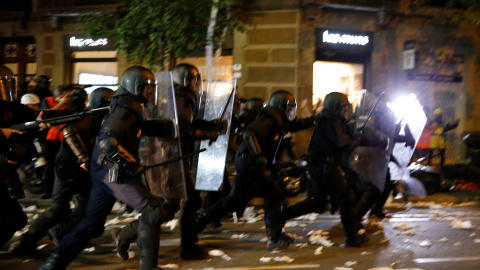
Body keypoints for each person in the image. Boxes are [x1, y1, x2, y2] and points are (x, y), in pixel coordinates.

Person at [38, 66, 179, 270]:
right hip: (114, 172)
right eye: (147, 87)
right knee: (153, 210)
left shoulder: (127, 105)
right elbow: (107, 141)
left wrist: (166, 128)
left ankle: (53, 263)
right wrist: (130, 164)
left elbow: (132, 130)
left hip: (104, 171)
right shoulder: (126, 108)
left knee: (92, 223)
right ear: (136, 87)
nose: (151, 91)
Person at [112, 63, 223, 261]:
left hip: (170, 155)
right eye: (196, 80)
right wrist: (207, 133)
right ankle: (186, 248)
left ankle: (127, 234)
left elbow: (186, 123)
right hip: (169, 156)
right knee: (183, 202)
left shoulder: (180, 96)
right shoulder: (182, 98)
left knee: (171, 205)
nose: (198, 84)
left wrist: (210, 125)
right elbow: (181, 129)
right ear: (187, 80)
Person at [197, 90, 319, 251]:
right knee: (274, 195)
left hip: (247, 163)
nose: (290, 113)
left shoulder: (277, 120)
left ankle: (200, 221)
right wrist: (259, 155)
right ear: (281, 107)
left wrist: (315, 120)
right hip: (251, 163)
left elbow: (295, 125)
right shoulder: (267, 119)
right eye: (289, 109)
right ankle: (275, 237)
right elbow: (249, 133)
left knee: (236, 200)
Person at [10, 87, 114, 257]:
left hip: (71, 165)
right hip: (69, 166)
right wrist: (83, 159)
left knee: (84, 204)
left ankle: (56, 233)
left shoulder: (93, 115)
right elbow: (69, 131)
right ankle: (29, 241)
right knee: (64, 207)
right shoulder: (89, 116)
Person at [283, 92, 365, 247]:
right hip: (325, 167)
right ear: (336, 107)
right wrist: (357, 138)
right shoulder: (330, 122)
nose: (346, 109)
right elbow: (345, 144)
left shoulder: (332, 119)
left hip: (320, 167)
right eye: (344, 106)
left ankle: (281, 216)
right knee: (346, 198)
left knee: (316, 203)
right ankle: (351, 238)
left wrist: (353, 130)